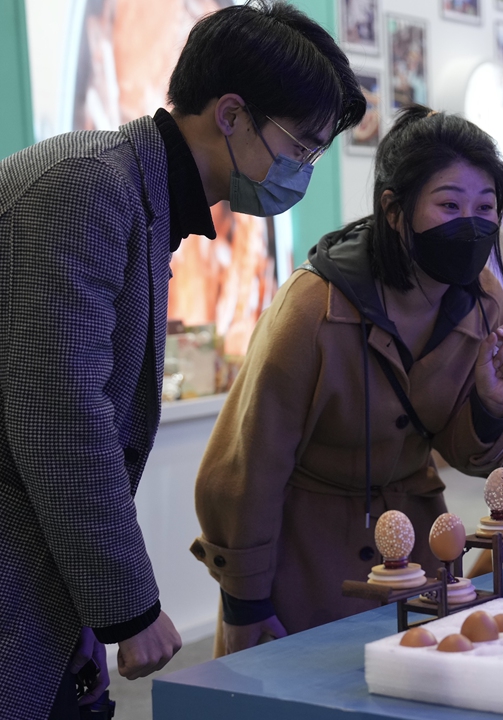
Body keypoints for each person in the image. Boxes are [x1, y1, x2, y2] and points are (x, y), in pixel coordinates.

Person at [0, 2, 364, 717]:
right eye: (302, 146)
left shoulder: (137, 198)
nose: (304, 171)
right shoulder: (86, 188)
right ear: (230, 113)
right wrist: (127, 610)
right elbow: (61, 422)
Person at [191, 106, 503, 657]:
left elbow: (470, 457)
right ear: (395, 210)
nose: (470, 224)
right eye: (448, 204)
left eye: (485, 208)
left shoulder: (483, 299)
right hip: (302, 559)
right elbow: (247, 465)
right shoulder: (314, 306)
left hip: (420, 552)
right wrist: (246, 599)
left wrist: (492, 406)